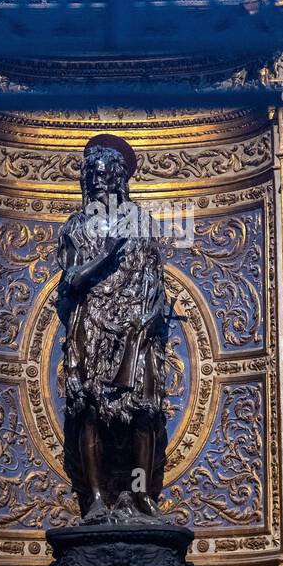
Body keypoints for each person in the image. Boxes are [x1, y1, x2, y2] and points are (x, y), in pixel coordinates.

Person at [56, 134, 171, 523]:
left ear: (120, 180)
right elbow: (70, 283)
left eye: (107, 179)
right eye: (94, 180)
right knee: (89, 409)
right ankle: (96, 499)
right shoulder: (76, 227)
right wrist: (106, 254)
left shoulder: (140, 222)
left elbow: (157, 279)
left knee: (143, 410)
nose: (100, 185)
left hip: (136, 326)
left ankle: (140, 497)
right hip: (92, 324)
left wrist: (155, 313)